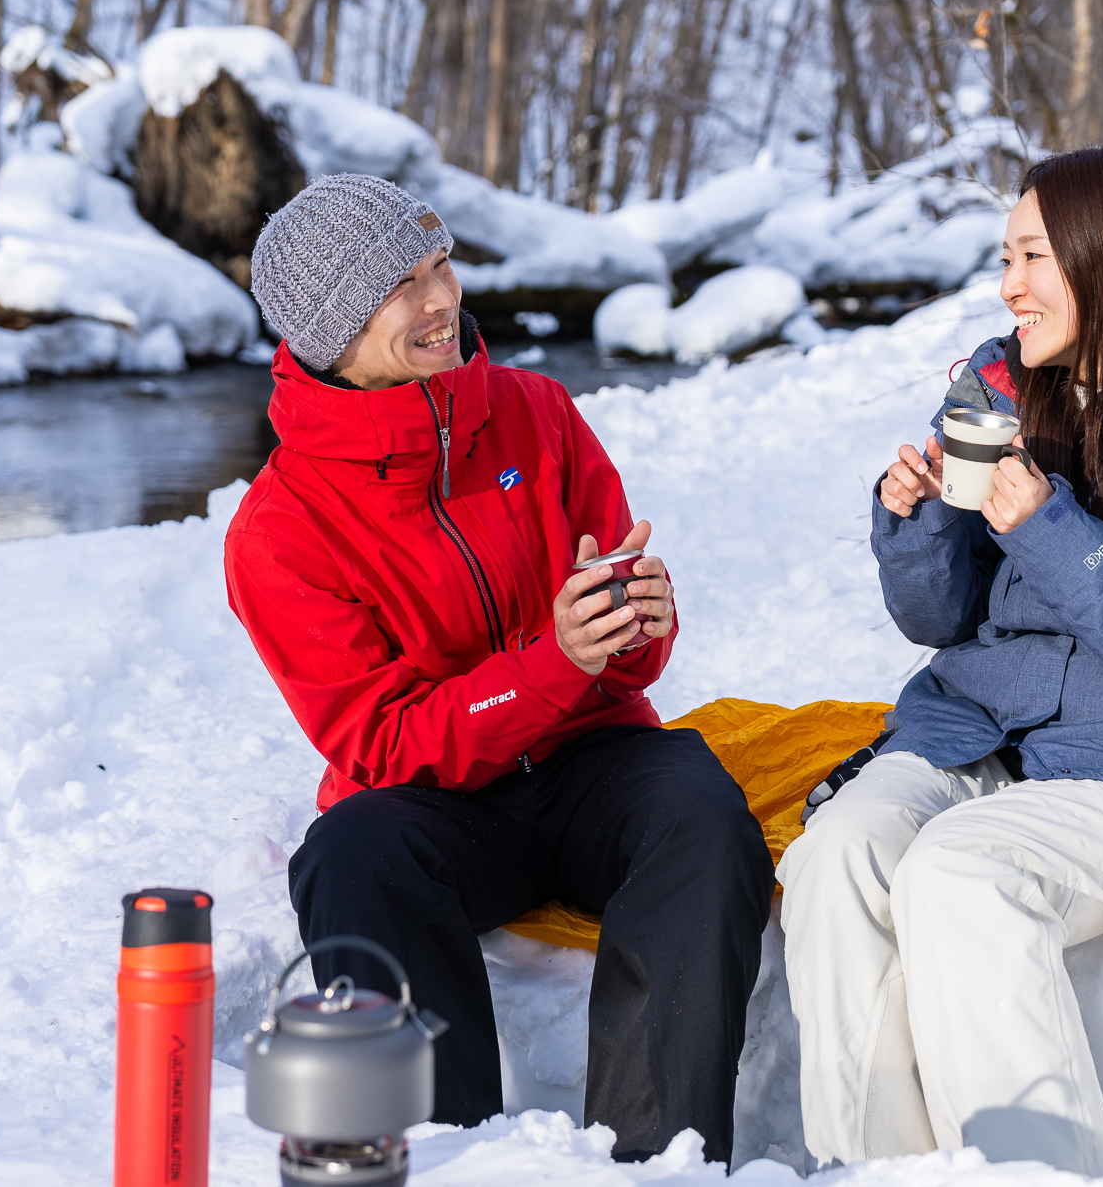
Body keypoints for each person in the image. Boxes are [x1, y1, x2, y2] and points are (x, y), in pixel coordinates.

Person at [778, 145, 1103, 1176]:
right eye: (1005, 255)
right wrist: (917, 519)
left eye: (1030, 256)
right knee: (837, 855)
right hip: (978, 730)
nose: (1006, 284)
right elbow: (936, 619)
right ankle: (880, 1170)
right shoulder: (1001, 395)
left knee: (960, 871)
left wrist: (1045, 525)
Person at [223, 174, 774, 1166]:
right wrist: (550, 662)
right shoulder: (278, 529)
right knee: (346, 857)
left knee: (700, 807)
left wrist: (635, 620)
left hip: (587, 760)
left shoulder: (532, 410)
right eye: (403, 284)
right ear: (330, 329)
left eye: (441, 265)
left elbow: (620, 637)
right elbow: (382, 741)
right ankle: (445, 1153)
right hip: (432, 808)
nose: (442, 299)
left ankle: (656, 1159)